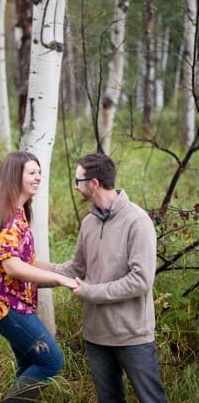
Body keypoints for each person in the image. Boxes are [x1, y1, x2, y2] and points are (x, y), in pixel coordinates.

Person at [50, 153, 167, 402]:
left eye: (78, 179)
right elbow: (76, 268)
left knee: (152, 399)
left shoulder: (137, 221)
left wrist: (91, 292)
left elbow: (141, 280)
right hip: (96, 335)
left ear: (94, 183)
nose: (75, 185)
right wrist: (28, 275)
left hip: (132, 335)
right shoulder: (89, 223)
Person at [0, 151, 78, 402]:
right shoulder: (8, 216)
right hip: (6, 305)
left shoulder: (17, 213)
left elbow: (25, 263)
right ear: (15, 176)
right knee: (51, 362)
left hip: (13, 303)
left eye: (39, 172)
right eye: (31, 173)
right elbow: (12, 267)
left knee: (28, 367)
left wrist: (59, 269)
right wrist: (59, 280)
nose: (38, 178)